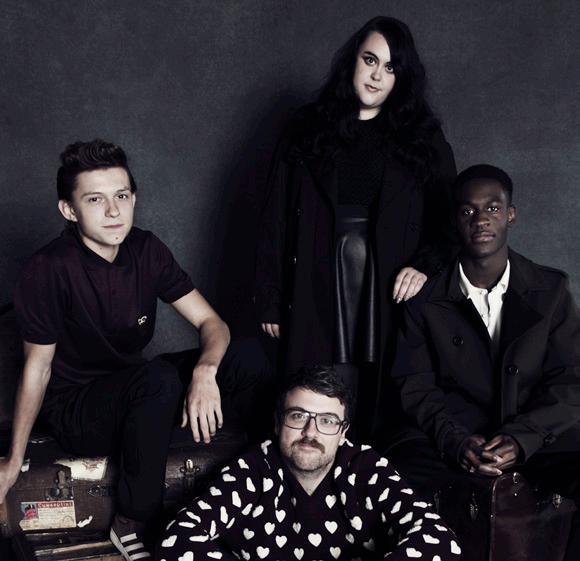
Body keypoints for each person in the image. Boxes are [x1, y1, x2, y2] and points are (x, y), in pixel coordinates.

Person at [0, 139, 270, 561]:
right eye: (95, 199)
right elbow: (38, 368)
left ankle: (263, 481)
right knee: (157, 380)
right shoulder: (48, 269)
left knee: (249, 356)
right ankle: (131, 522)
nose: (113, 211)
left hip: (139, 393)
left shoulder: (145, 249)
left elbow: (212, 323)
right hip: (76, 409)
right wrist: (14, 460)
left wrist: (205, 372)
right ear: (69, 210)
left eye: (122, 196)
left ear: (133, 199)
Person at [255, 16, 456, 437]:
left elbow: (449, 218)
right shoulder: (306, 127)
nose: (377, 75)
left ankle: (366, 470)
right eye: (370, 60)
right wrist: (270, 298)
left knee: (378, 394)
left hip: (385, 280)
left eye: (391, 67)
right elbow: (274, 215)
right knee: (312, 389)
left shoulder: (423, 137)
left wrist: (424, 265)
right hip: (314, 273)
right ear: (353, 61)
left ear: (402, 78)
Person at [388, 164, 580, 559]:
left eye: (492, 208)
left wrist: (522, 439)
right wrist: (458, 441)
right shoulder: (424, 300)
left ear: (511, 214)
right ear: (455, 220)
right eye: (468, 211)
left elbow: (571, 380)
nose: (480, 220)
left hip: (536, 438)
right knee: (395, 477)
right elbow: (414, 384)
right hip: (452, 437)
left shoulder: (551, 289)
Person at [158, 366, 461, 561]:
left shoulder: (366, 468)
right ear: (277, 423)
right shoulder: (253, 469)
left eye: (327, 420)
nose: (310, 432)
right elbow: (176, 540)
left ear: (343, 433)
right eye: (298, 416)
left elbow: (440, 540)